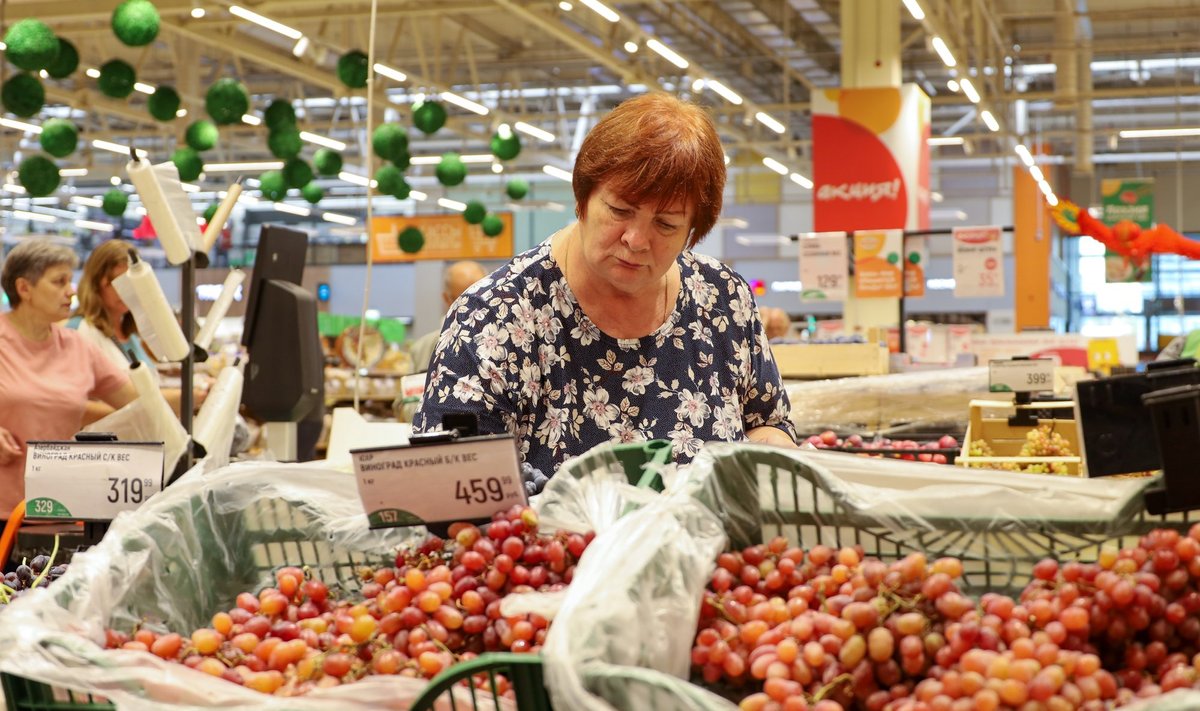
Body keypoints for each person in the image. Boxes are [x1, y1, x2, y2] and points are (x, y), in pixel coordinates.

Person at [414, 93, 797, 474]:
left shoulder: (723, 300)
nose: (636, 239)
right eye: (620, 210)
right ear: (583, 199)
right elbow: (450, 481)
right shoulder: (493, 318)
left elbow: (767, 421)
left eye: (666, 224)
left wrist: (771, 461)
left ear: (692, 231)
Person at [0, 240, 137, 521]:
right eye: (59, 282)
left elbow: (139, 400)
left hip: (59, 510)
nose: (71, 290)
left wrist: (202, 395)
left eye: (70, 280)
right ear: (24, 288)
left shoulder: (77, 346)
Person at [69, 240, 202, 423]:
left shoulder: (130, 336)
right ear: (97, 283)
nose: (127, 292)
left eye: (133, 285)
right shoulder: (78, 331)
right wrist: (188, 396)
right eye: (120, 283)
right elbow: (74, 406)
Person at [408, 260, 488, 373]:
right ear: (447, 298)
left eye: (480, 298)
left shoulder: (507, 343)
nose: (472, 308)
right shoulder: (423, 350)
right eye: (463, 301)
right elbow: (411, 388)